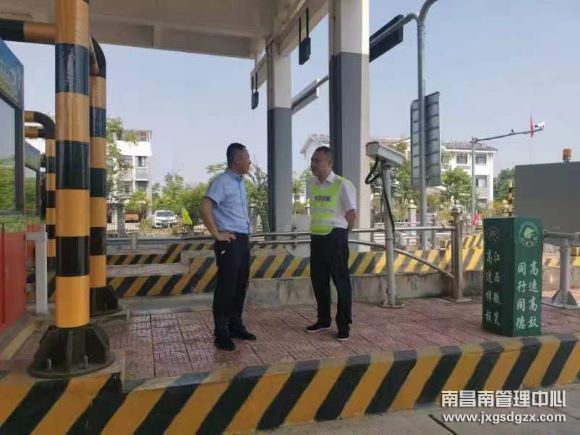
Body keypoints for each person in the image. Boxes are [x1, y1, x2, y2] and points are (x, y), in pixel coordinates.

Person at [201, 143, 256, 351]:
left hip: (242, 239)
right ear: (237, 159)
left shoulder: (240, 183)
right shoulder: (222, 182)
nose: (250, 162)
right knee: (227, 286)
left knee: (240, 284)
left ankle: (236, 326)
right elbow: (205, 207)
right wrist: (217, 234)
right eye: (247, 157)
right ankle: (221, 332)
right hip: (229, 241)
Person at [306, 146, 357, 341]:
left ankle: (344, 325)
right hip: (317, 237)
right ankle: (323, 320)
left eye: (317, 161)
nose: (313, 164)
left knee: (341, 282)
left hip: (336, 237)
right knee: (319, 281)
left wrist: (343, 234)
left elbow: (352, 215)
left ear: (329, 163)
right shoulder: (311, 183)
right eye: (312, 160)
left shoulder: (342, 184)